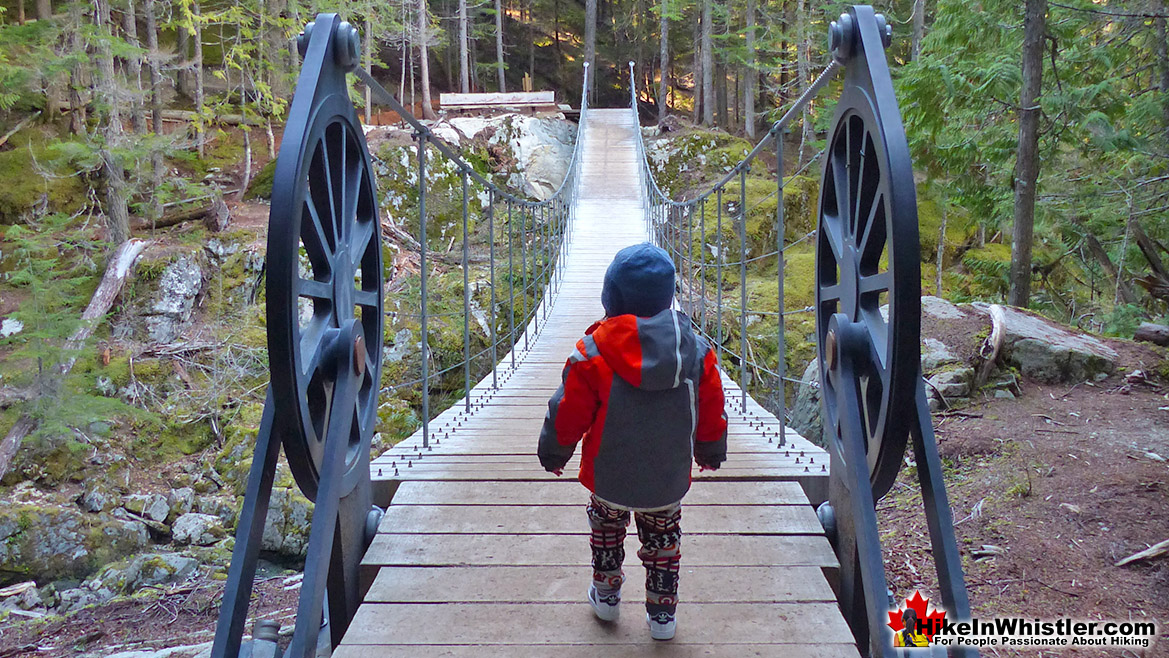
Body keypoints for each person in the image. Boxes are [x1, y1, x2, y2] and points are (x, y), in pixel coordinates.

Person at [537, 242, 728, 641]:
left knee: (606, 532)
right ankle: (662, 617)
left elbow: (569, 407)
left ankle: (606, 598)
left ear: (611, 296)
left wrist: (556, 448)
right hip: (667, 480)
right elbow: (710, 403)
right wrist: (709, 447)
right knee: (663, 543)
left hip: (608, 477)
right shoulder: (695, 351)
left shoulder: (592, 352)